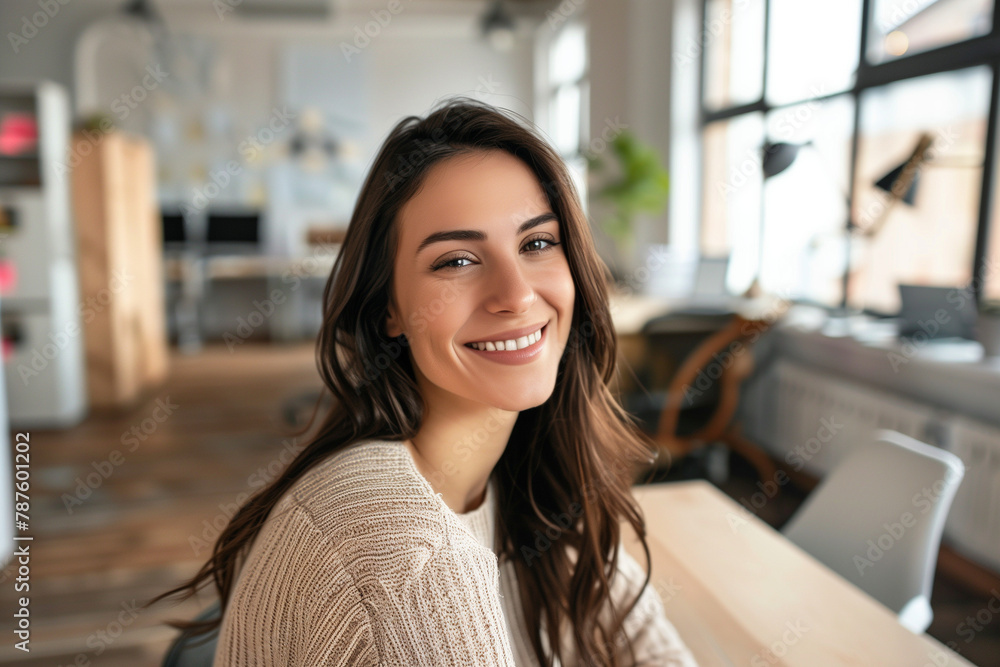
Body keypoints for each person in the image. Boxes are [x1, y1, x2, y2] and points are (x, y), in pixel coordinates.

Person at [147, 96, 699, 666]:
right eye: (456, 260)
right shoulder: (406, 554)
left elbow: (650, 649)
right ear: (389, 308)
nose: (515, 296)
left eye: (536, 244)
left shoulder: (529, 480)